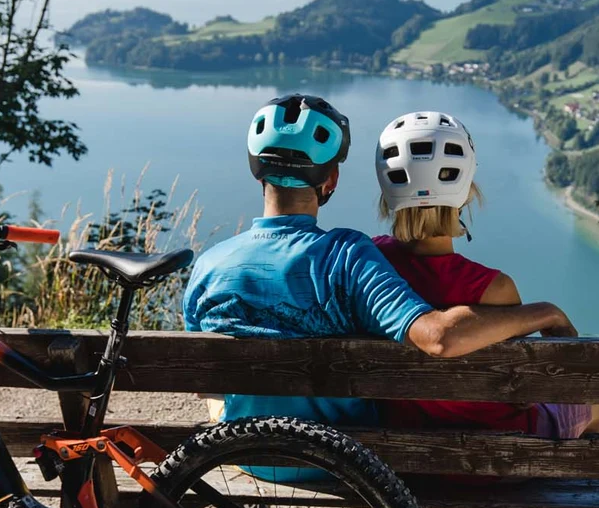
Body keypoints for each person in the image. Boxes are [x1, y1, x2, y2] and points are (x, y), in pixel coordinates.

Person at [183, 93, 578, 436]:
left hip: (242, 450)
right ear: (331, 179)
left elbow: (201, 384)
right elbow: (437, 337)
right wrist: (545, 312)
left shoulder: (208, 266)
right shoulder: (346, 257)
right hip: (340, 456)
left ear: (257, 172)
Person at [367, 111, 599, 508]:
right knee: (590, 408)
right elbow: (520, 386)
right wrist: (547, 312)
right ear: (465, 191)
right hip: (502, 462)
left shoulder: (368, 265)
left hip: (400, 458)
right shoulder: (494, 289)